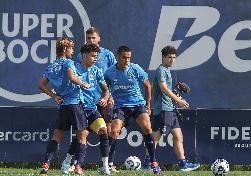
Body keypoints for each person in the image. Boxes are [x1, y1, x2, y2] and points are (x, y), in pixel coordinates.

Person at [104, 46, 161, 174]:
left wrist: (148, 105)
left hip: (138, 105)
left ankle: (153, 162)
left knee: (147, 128)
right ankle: (106, 164)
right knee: (114, 131)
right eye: (124, 57)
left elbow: (148, 86)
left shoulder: (135, 68)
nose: (127, 60)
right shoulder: (109, 72)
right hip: (120, 106)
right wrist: (108, 101)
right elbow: (105, 88)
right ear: (117, 57)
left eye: (129, 57)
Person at [143, 45, 200, 171]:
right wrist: (178, 99)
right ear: (163, 57)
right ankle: (147, 163)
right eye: (169, 57)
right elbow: (163, 88)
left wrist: (176, 95)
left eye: (174, 57)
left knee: (178, 135)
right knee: (156, 136)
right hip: (163, 109)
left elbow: (166, 91)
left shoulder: (167, 70)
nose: (172, 60)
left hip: (170, 109)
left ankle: (183, 164)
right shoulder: (161, 70)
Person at [38, 37, 89, 175]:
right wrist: (83, 83)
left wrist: (54, 96)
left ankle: (46, 163)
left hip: (63, 105)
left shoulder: (52, 65)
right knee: (82, 136)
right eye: (71, 48)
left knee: (56, 136)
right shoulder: (68, 63)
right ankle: (78, 166)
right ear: (65, 49)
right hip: (75, 103)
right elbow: (72, 77)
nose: (72, 51)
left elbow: (41, 85)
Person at [60, 43, 112, 175]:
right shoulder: (74, 69)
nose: (95, 59)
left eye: (96, 56)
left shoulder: (97, 71)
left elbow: (106, 90)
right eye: (93, 56)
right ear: (84, 55)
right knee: (81, 137)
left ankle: (105, 166)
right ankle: (70, 163)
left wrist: (105, 98)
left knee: (103, 131)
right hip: (78, 108)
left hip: (92, 109)